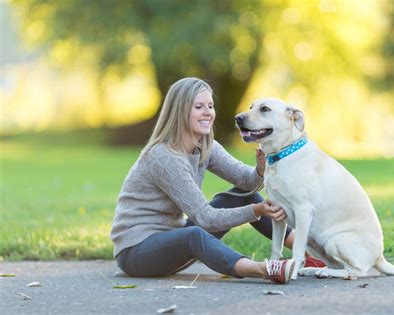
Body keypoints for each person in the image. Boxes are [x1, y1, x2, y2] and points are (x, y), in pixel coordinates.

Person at [110, 77, 323, 284]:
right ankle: (264, 269)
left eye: (210, 106)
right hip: (137, 252)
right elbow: (205, 218)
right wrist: (256, 211)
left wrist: (259, 170)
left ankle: (313, 253)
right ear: (180, 111)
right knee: (193, 234)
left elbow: (245, 181)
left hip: (172, 239)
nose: (208, 113)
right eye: (199, 107)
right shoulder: (163, 157)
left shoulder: (204, 144)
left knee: (243, 196)